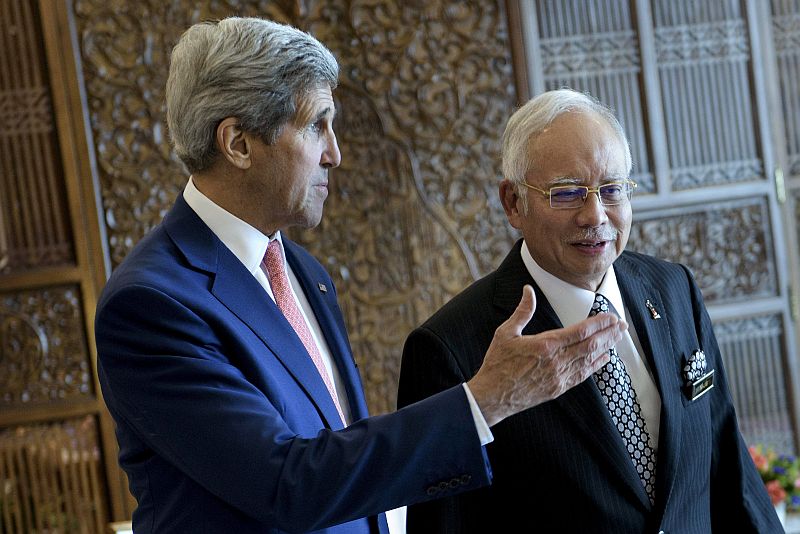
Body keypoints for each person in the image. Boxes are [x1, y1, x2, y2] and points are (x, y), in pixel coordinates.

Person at [93, 19, 628, 534]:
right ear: (237, 144)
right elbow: (288, 485)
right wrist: (486, 398)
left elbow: (345, 462)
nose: (335, 153)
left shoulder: (303, 270)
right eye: (315, 125)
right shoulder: (151, 304)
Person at [397, 89, 782, 533]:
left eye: (612, 189)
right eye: (566, 193)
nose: (594, 215)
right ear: (513, 202)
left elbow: (727, 462)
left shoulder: (674, 289)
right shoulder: (450, 348)